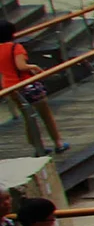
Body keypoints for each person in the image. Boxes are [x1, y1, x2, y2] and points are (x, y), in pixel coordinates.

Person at [0, 20, 69, 154]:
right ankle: (58, 143)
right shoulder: (16, 48)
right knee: (45, 114)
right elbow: (21, 66)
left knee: (28, 117)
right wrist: (34, 67)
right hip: (26, 84)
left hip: (10, 86)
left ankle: (38, 146)